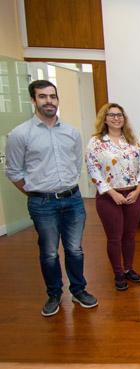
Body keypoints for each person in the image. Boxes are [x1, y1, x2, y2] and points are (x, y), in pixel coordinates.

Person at [5, 80, 98, 316]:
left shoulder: (71, 133)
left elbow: (77, 163)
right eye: (43, 96)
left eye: (52, 96)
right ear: (33, 100)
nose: (49, 101)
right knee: (48, 252)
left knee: (75, 249)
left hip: (73, 199)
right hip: (42, 202)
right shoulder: (20, 134)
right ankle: (54, 294)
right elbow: (13, 171)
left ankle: (78, 290)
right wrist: (35, 191)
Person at [85, 103, 140, 291]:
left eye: (120, 115)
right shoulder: (96, 142)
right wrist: (112, 193)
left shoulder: (132, 141)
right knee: (114, 237)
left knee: (130, 235)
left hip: (133, 195)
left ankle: (128, 269)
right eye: (112, 115)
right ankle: (118, 273)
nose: (116, 118)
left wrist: (137, 190)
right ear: (105, 118)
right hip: (109, 197)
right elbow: (93, 170)